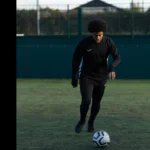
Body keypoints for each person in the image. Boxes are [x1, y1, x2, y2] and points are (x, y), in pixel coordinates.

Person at [71, 18, 121, 133]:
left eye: (100, 35)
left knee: (96, 102)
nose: (98, 38)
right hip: (86, 76)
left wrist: (112, 68)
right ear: (91, 33)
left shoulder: (108, 42)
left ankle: (91, 122)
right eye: (95, 35)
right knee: (86, 101)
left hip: (101, 77)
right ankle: (82, 120)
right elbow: (76, 58)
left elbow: (117, 57)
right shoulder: (84, 43)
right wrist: (74, 75)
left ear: (103, 33)